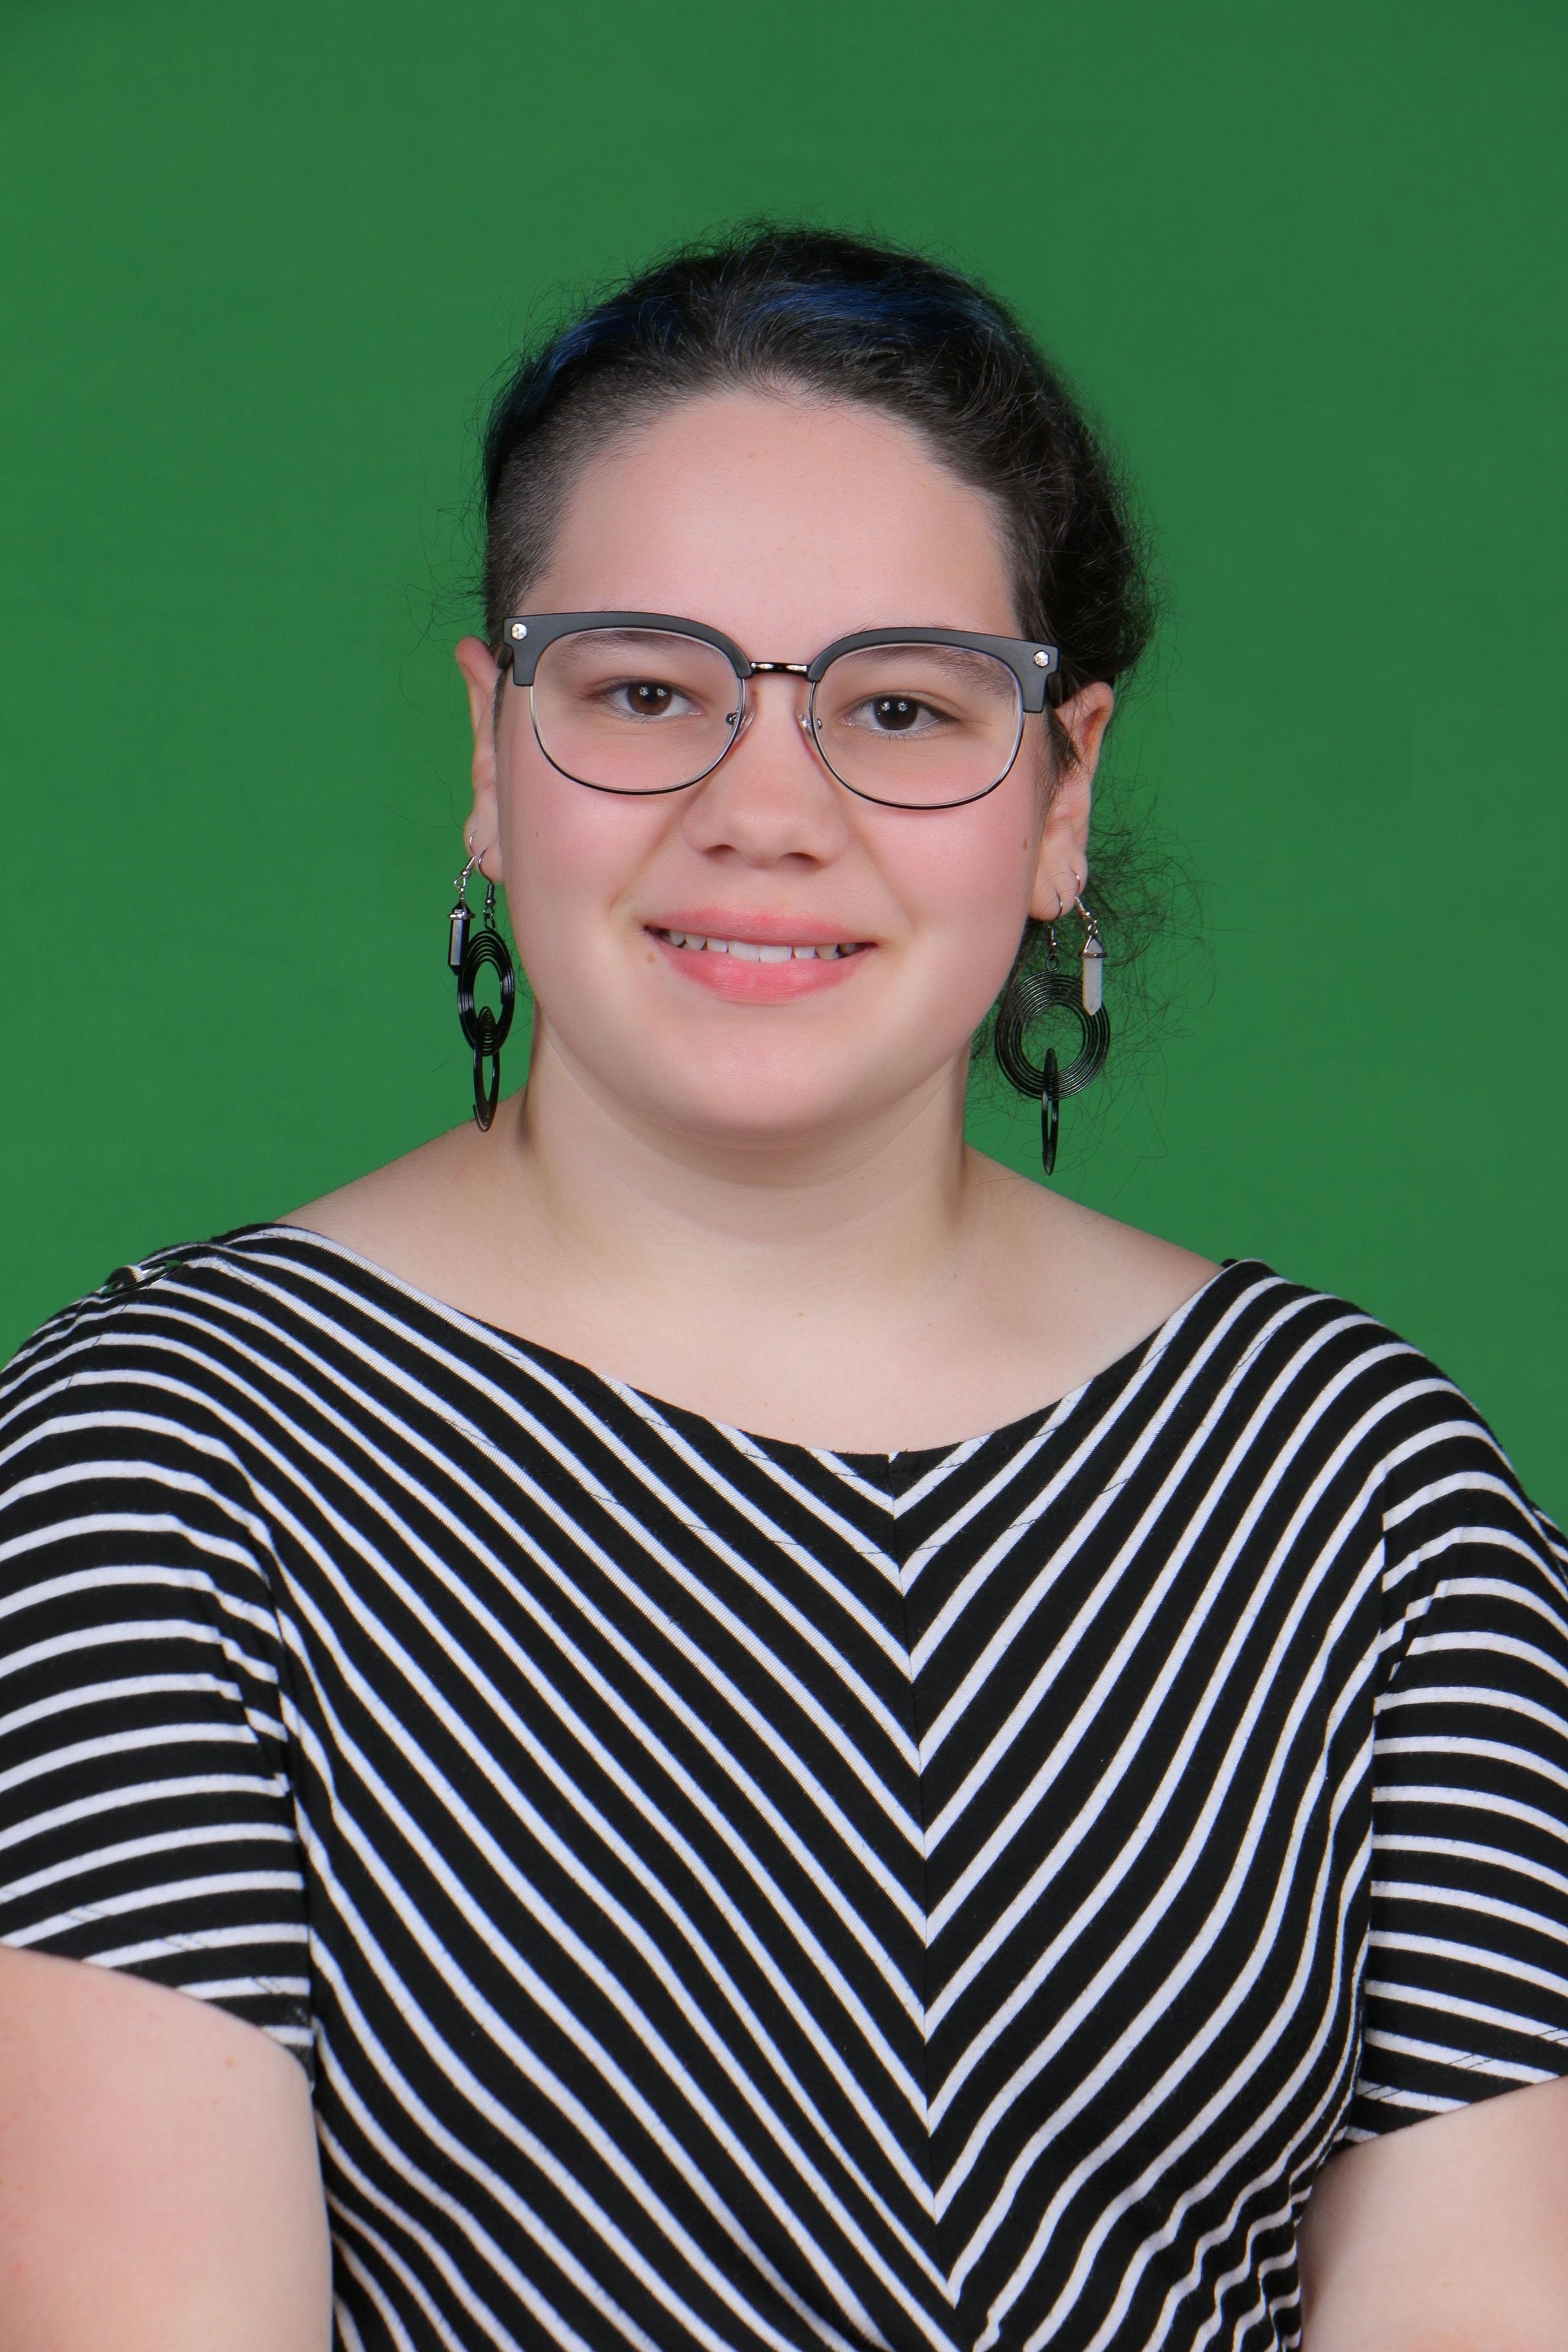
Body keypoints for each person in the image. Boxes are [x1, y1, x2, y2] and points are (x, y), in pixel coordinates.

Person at [1, 227, 1563, 2352]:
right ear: (492, 750)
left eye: (902, 710)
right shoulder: (160, 1469)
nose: (765, 810)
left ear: (1063, 794)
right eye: (646, 691)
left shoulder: (1363, 1499)